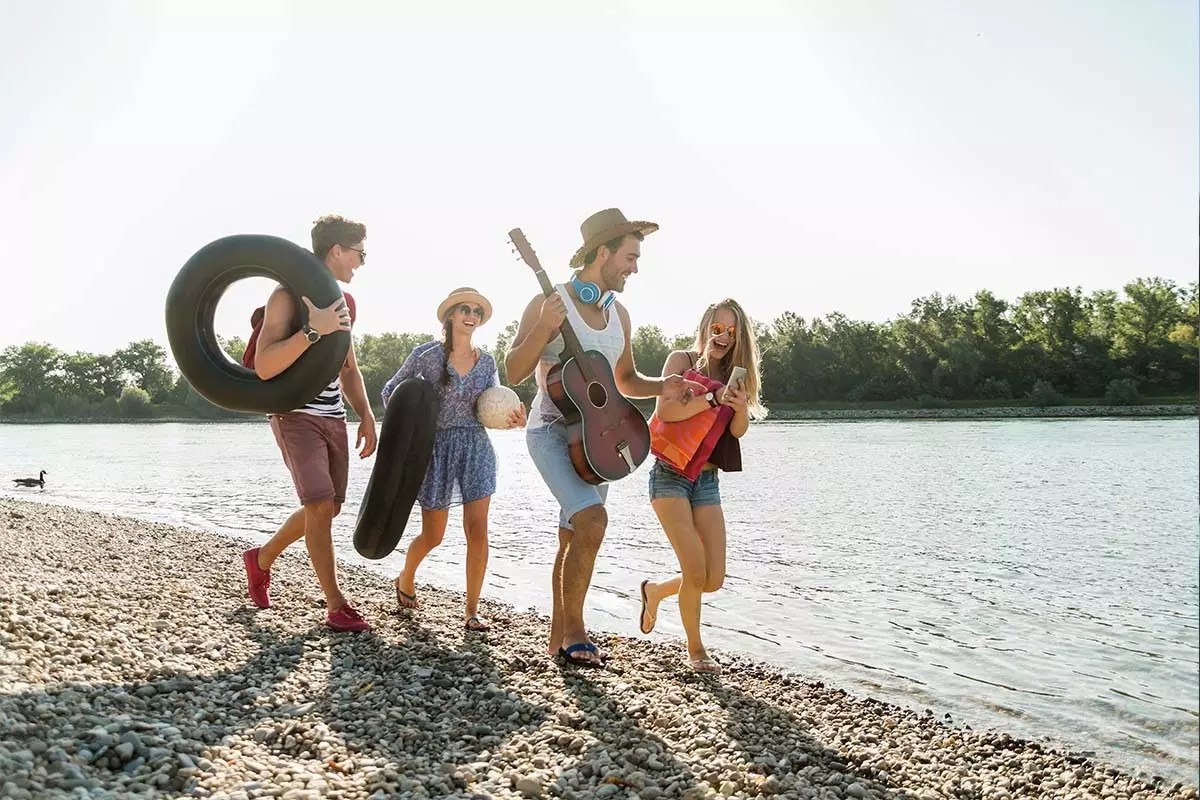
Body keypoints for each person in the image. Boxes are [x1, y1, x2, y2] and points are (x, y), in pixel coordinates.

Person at [504, 208, 707, 667]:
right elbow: (513, 371)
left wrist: (665, 387)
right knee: (592, 520)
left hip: (599, 441)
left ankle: (557, 637)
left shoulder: (621, 316)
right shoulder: (549, 302)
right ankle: (578, 632)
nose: (635, 267)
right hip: (552, 433)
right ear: (603, 253)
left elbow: (626, 379)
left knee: (573, 534)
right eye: (630, 257)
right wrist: (543, 329)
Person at [241, 214, 378, 633]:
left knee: (327, 508)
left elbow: (348, 368)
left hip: (332, 416)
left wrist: (367, 416)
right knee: (318, 504)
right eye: (360, 253)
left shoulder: (346, 304)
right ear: (336, 250)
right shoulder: (287, 297)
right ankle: (336, 604)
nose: (361, 262)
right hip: (293, 414)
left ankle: (260, 559)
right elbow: (265, 366)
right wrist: (312, 333)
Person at [381, 287, 526, 631]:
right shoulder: (425, 355)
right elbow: (390, 393)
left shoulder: (488, 361)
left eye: (477, 311)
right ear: (450, 315)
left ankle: (472, 610)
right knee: (434, 536)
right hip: (435, 451)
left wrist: (514, 421)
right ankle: (405, 577)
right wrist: (410, 434)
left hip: (476, 448)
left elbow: (493, 407)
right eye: (465, 309)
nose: (472, 315)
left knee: (478, 531)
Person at [637, 299, 767, 673]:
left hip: (706, 481)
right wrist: (711, 395)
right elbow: (667, 412)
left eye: (731, 331)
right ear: (706, 326)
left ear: (739, 335)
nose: (723, 337)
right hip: (670, 476)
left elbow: (737, 431)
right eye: (717, 328)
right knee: (694, 571)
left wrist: (739, 406)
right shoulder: (681, 362)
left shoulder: (738, 375)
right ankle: (696, 651)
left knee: (712, 578)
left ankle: (656, 591)